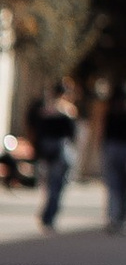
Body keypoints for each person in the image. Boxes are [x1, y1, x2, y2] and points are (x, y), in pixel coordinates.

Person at [33, 86, 81, 229]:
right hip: (59, 151)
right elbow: (72, 133)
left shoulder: (45, 109)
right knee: (56, 185)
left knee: (49, 185)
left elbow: (37, 131)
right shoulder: (67, 110)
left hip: (47, 151)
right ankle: (49, 216)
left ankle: (48, 214)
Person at [99, 89, 126, 232]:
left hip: (113, 149)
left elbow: (104, 135)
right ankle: (121, 218)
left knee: (113, 186)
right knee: (124, 187)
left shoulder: (111, 114)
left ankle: (114, 217)